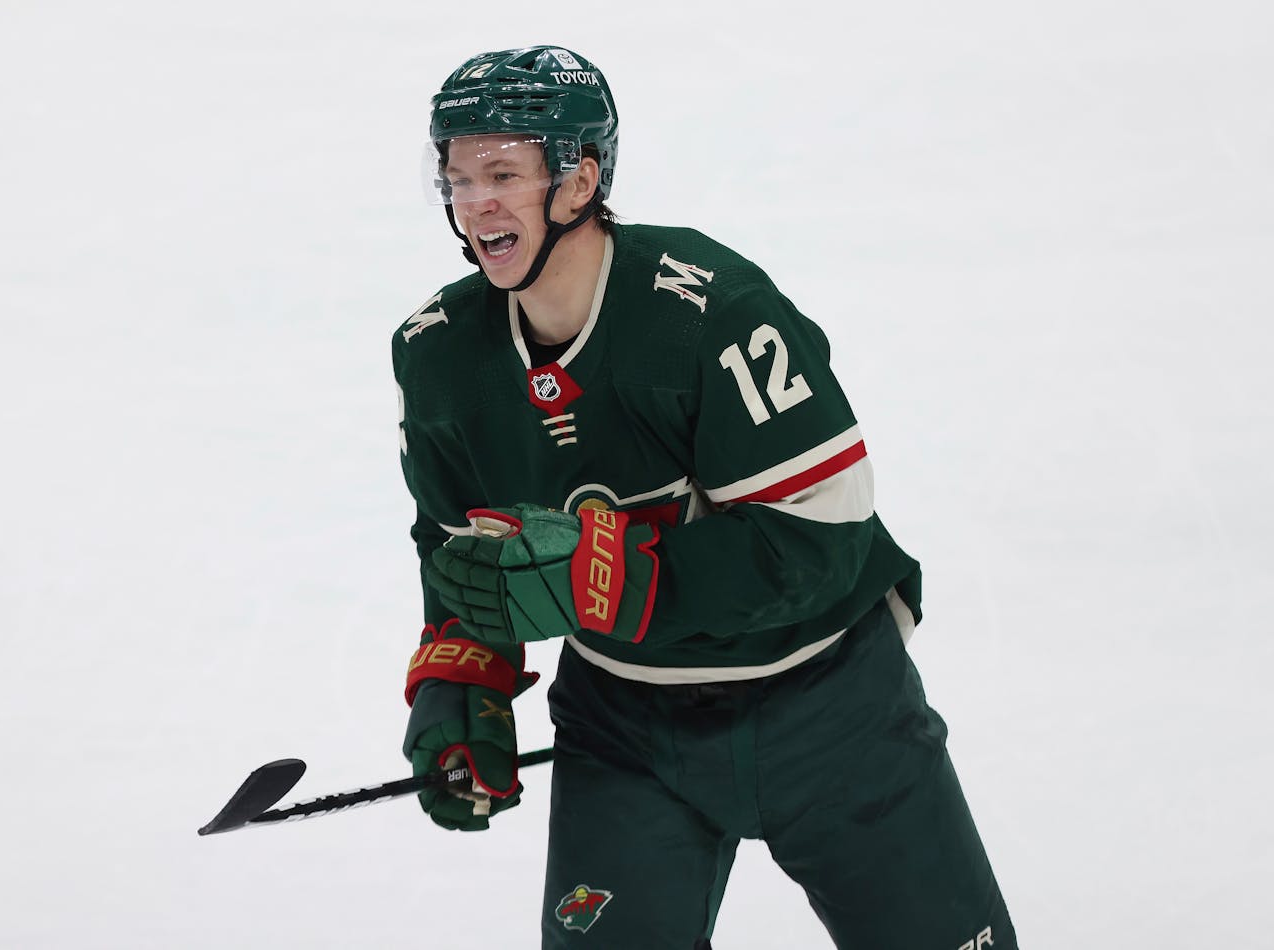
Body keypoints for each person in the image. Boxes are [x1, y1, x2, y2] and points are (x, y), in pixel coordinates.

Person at [395, 45, 1017, 950]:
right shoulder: (440, 356)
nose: (476, 200)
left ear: (581, 180)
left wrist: (614, 582)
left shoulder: (712, 314)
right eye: (457, 177)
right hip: (626, 730)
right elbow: (457, 556)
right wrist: (463, 689)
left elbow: (824, 537)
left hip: (830, 711)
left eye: (503, 173)